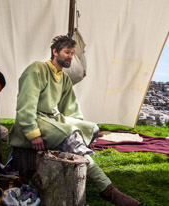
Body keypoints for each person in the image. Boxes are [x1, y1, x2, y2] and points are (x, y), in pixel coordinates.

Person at [8, 35, 140, 206]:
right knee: (68, 133)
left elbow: (71, 108)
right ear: (55, 52)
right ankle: (107, 189)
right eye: (67, 52)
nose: (70, 56)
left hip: (50, 119)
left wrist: (82, 131)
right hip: (32, 119)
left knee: (91, 128)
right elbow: (26, 105)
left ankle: (81, 159)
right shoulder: (37, 69)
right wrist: (32, 133)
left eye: (72, 53)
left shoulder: (64, 78)